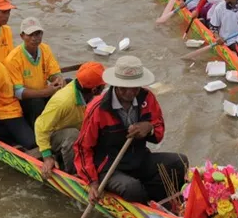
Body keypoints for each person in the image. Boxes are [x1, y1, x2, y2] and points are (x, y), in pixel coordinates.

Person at [74, 56, 189, 203]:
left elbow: (159, 130)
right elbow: (83, 148)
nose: (130, 93)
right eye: (124, 88)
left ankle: (164, 202)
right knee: (132, 188)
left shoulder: (147, 98)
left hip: (139, 159)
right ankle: (144, 203)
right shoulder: (98, 108)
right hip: (109, 168)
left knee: (180, 161)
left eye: (135, 87)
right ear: (116, 85)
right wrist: (92, 183)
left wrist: (149, 128)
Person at [35, 62, 106, 179]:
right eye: (103, 86)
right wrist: (47, 157)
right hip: (54, 135)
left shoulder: (86, 92)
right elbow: (40, 127)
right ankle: (75, 173)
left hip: (74, 128)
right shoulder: (63, 101)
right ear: (94, 90)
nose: (104, 88)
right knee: (73, 135)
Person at [4, 17, 63, 127]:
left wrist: (59, 81)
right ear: (22, 36)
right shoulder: (13, 59)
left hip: (43, 92)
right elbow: (18, 92)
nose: (35, 38)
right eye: (30, 35)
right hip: (25, 101)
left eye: (38, 34)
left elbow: (54, 74)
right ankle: (38, 131)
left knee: (69, 84)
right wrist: (45, 92)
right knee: (36, 102)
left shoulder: (45, 49)